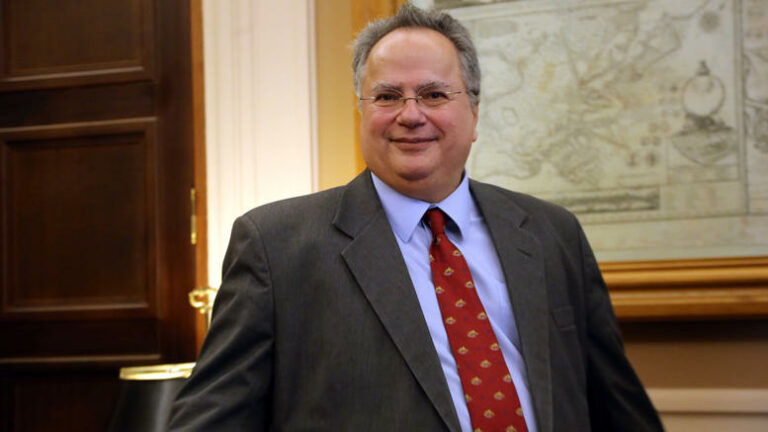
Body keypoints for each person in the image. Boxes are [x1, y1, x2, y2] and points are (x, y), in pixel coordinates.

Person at [167, 3, 663, 431]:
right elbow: (211, 419)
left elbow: (617, 408)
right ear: (362, 112)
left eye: (433, 94)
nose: (410, 114)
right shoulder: (277, 247)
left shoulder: (552, 233)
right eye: (387, 96)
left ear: (474, 112)